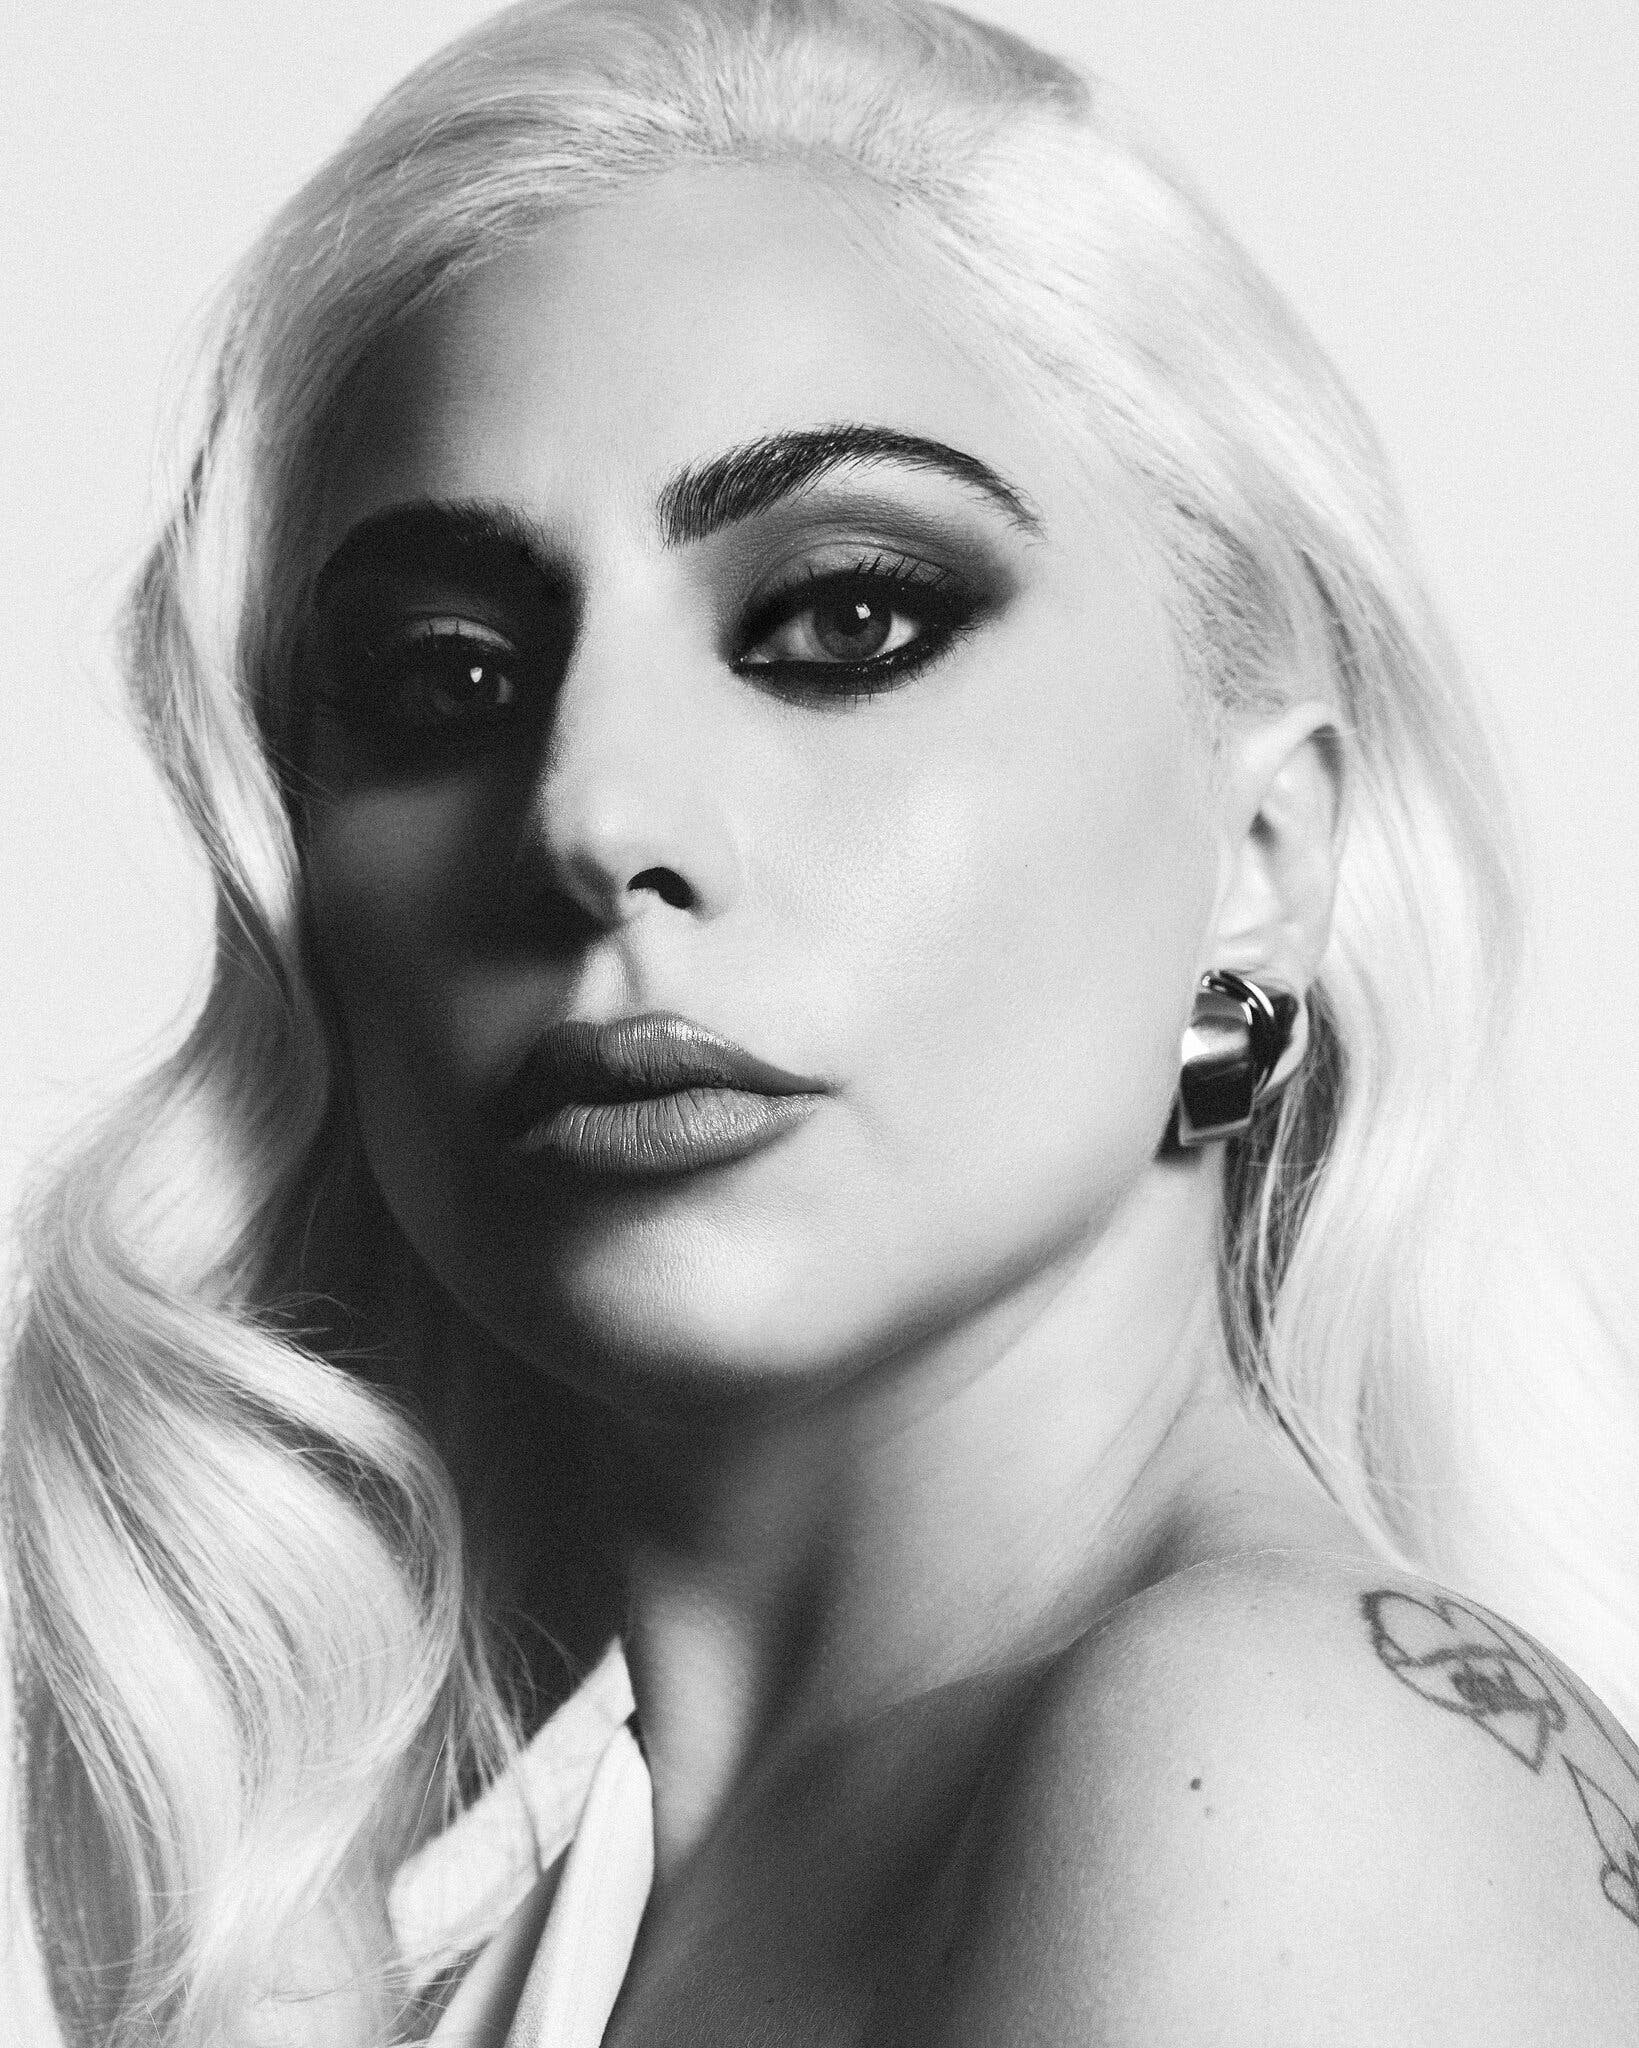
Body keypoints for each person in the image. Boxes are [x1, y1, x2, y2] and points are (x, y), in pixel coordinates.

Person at [5, 1, 1637, 2042]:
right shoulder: (574, 1914)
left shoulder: (1272, 1777)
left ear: (1261, 852)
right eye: (447, 675)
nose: (593, 814)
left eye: (843, 618)